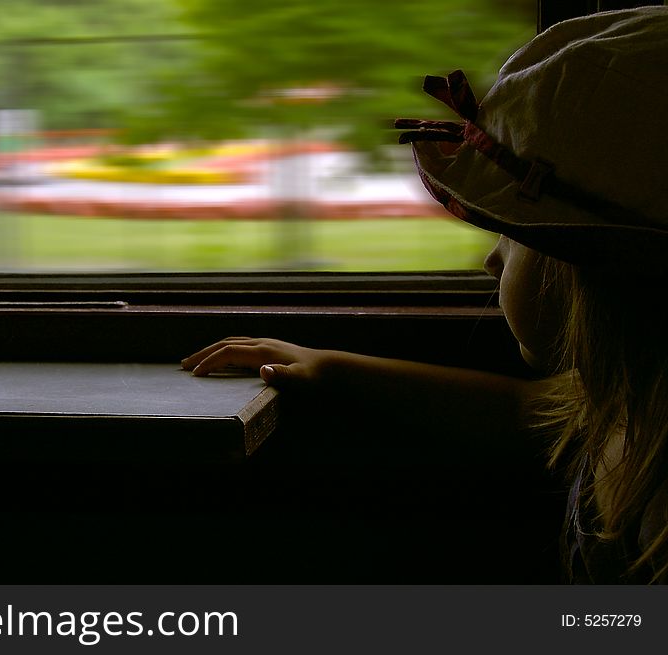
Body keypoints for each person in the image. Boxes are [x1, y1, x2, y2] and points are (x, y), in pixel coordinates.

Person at [181, 6, 668, 584]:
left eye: (511, 238)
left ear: (601, 272)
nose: (491, 261)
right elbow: (530, 410)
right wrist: (336, 367)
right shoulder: (629, 406)